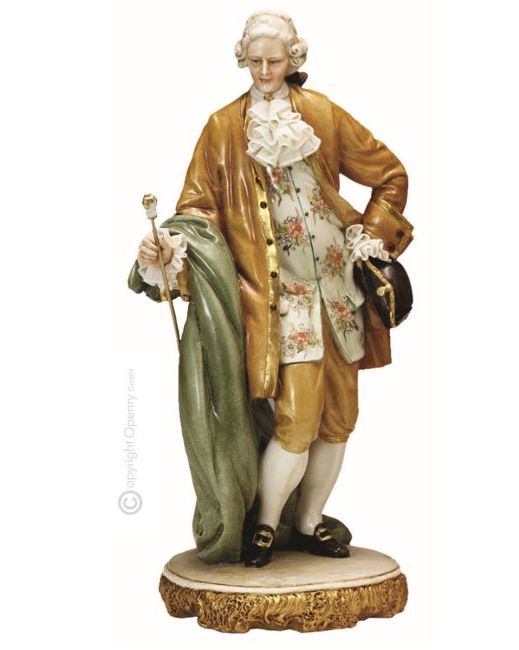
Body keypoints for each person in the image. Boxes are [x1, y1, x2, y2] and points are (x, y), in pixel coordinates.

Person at [134, 11, 413, 568]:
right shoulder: (222, 128)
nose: (264, 71)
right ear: (244, 59)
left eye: (275, 61)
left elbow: (390, 175)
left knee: (340, 418)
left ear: (294, 59)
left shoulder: (322, 113)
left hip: (340, 292)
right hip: (282, 301)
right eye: (255, 61)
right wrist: (170, 251)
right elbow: (197, 210)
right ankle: (264, 525)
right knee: (297, 420)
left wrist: (372, 241)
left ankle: (308, 522)